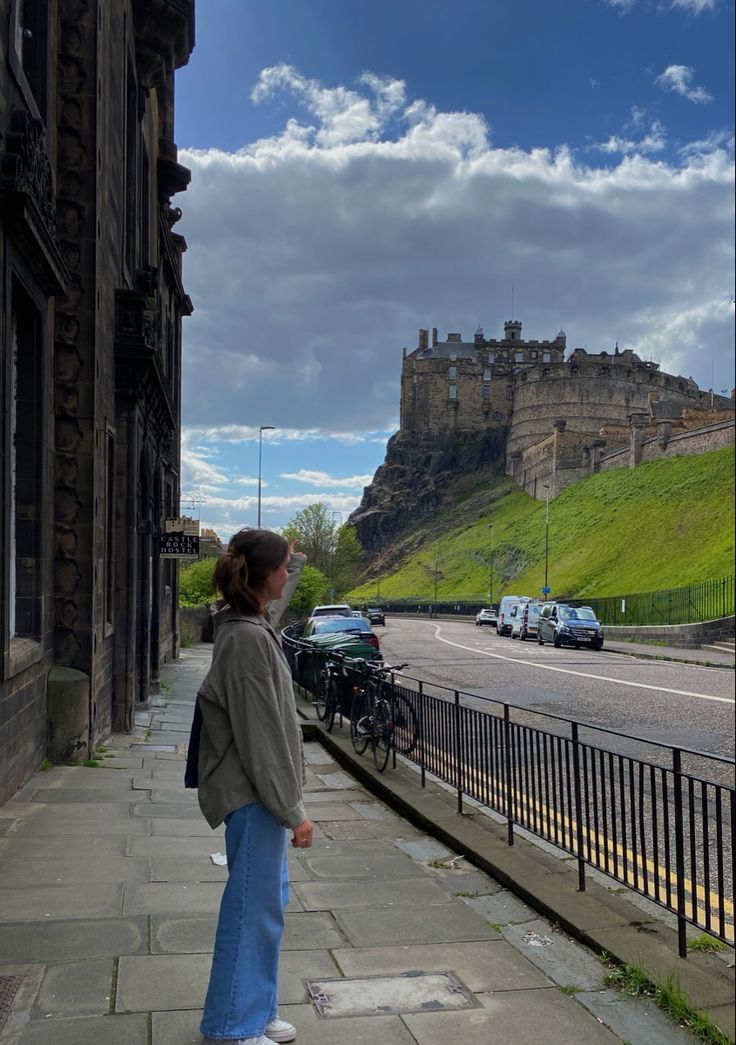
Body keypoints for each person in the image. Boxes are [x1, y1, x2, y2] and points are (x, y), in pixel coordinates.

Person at [196, 528, 312, 1045]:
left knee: (266, 906)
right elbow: (261, 737)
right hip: (254, 796)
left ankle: (257, 1009)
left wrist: (286, 557)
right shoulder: (245, 639)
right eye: (286, 566)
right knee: (250, 911)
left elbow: (281, 579)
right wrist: (293, 811)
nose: (290, 574)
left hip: (256, 795)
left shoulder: (250, 624)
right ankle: (232, 1027)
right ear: (265, 577)